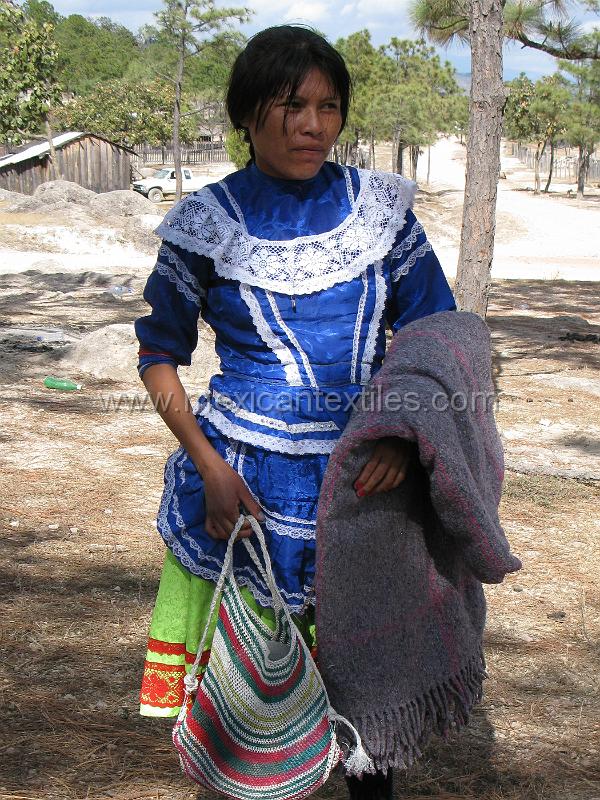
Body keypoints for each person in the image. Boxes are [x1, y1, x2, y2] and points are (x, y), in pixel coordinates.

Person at [135, 24, 456, 799]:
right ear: (248, 113)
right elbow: (158, 356)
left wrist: (404, 442)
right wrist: (207, 466)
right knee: (253, 704)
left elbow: (435, 332)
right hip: (245, 487)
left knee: (367, 714)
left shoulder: (379, 212)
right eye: (292, 105)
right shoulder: (206, 223)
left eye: (329, 106)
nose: (314, 125)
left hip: (366, 483)